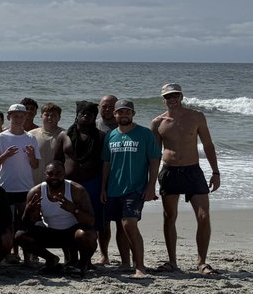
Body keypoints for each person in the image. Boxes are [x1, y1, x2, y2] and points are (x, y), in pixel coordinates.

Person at [151, 83, 221, 274]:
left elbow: (208, 145)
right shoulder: (158, 122)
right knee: (170, 217)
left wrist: (215, 172)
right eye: (167, 96)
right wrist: (150, 183)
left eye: (175, 95)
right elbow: (154, 154)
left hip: (193, 171)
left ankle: (202, 262)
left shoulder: (196, 116)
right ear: (163, 99)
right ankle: (172, 261)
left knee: (204, 216)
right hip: (169, 172)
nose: (171, 99)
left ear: (181, 96)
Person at [101, 99, 160, 278]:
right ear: (115, 114)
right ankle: (125, 262)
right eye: (121, 112)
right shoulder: (111, 136)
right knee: (120, 225)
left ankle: (140, 266)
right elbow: (106, 164)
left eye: (128, 112)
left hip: (135, 188)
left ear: (133, 114)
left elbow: (154, 161)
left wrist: (151, 187)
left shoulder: (144, 134)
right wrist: (103, 188)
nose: (124, 114)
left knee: (129, 224)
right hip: (113, 189)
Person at [15, 161, 97, 276]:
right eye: (50, 173)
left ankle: (81, 265)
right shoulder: (36, 192)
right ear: (45, 174)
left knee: (88, 235)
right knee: (20, 236)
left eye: (58, 173)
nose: (54, 177)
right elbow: (26, 224)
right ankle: (51, 259)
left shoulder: (77, 190)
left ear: (64, 174)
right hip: (50, 233)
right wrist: (28, 211)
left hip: (72, 234)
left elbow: (91, 221)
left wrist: (74, 209)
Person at [55, 102, 109, 264]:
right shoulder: (64, 136)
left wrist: (103, 188)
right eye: (82, 113)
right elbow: (57, 161)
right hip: (69, 185)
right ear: (77, 115)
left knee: (91, 221)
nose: (85, 116)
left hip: (92, 184)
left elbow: (104, 163)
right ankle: (69, 257)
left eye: (90, 114)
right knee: (68, 220)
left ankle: (89, 258)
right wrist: (54, 185)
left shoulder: (100, 136)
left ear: (94, 117)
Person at [0, 103, 40, 225]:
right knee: (8, 223)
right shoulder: (0, 137)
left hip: (26, 187)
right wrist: (6, 155)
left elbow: (35, 165)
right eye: (15, 116)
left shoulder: (31, 138)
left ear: (25, 117)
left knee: (24, 222)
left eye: (21, 116)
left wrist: (32, 156)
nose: (18, 119)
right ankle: (11, 244)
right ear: (9, 117)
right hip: (6, 186)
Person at [28, 103, 64, 174]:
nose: (50, 117)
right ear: (41, 116)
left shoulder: (64, 135)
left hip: (55, 179)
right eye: (46, 115)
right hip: (34, 179)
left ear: (59, 117)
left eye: (53, 115)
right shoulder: (31, 135)